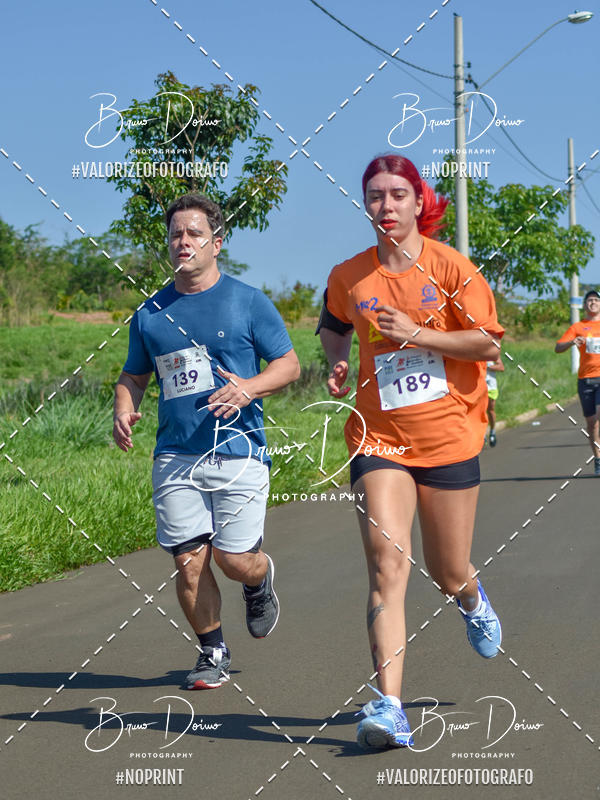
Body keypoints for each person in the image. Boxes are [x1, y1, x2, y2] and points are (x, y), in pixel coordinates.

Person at [318, 154, 504, 750]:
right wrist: (337, 361)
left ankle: (470, 597)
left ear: (419, 201)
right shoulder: (349, 275)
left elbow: (485, 344)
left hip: (448, 436)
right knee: (386, 565)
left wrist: (417, 333)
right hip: (378, 439)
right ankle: (390, 706)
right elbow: (331, 323)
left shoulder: (452, 268)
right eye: (375, 195)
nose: (386, 206)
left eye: (398, 194)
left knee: (447, 570)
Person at [113, 193, 300, 688]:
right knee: (189, 561)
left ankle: (259, 580)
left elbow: (288, 365)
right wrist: (124, 404)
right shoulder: (151, 313)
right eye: (176, 234)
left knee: (233, 559)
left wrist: (247, 388)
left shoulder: (248, 301)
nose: (183, 242)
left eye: (194, 233)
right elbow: (133, 376)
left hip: (238, 451)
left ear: (217, 242)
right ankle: (212, 650)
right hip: (176, 454)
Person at [555, 289, 600, 475]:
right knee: (592, 424)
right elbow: (558, 347)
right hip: (586, 380)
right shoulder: (578, 327)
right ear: (584, 305)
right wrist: (573, 342)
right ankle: (598, 459)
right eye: (589, 300)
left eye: (596, 300)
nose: (593, 303)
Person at [485, 358, 504, 446]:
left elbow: (501, 367)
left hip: (491, 386)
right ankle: (482, 434)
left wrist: (488, 367)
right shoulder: (475, 352)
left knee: (490, 410)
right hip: (480, 385)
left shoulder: (491, 352)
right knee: (479, 411)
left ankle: (492, 431)